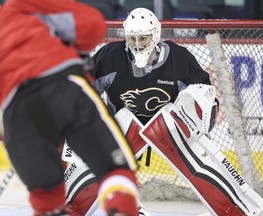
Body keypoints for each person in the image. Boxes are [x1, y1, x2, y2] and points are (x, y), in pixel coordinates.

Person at [64, 7, 219, 216]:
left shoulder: (179, 59)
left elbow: (206, 97)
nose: (137, 45)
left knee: (201, 155)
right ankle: (99, 204)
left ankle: (225, 203)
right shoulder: (110, 56)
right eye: (132, 39)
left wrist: (200, 118)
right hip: (123, 129)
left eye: (143, 38)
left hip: (168, 129)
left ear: (155, 35)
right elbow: (86, 94)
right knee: (90, 146)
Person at [0, 0, 139, 216]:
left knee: (47, 201)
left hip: (15, 113)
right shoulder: (20, 6)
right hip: (62, 85)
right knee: (116, 173)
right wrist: (76, 50)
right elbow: (91, 24)